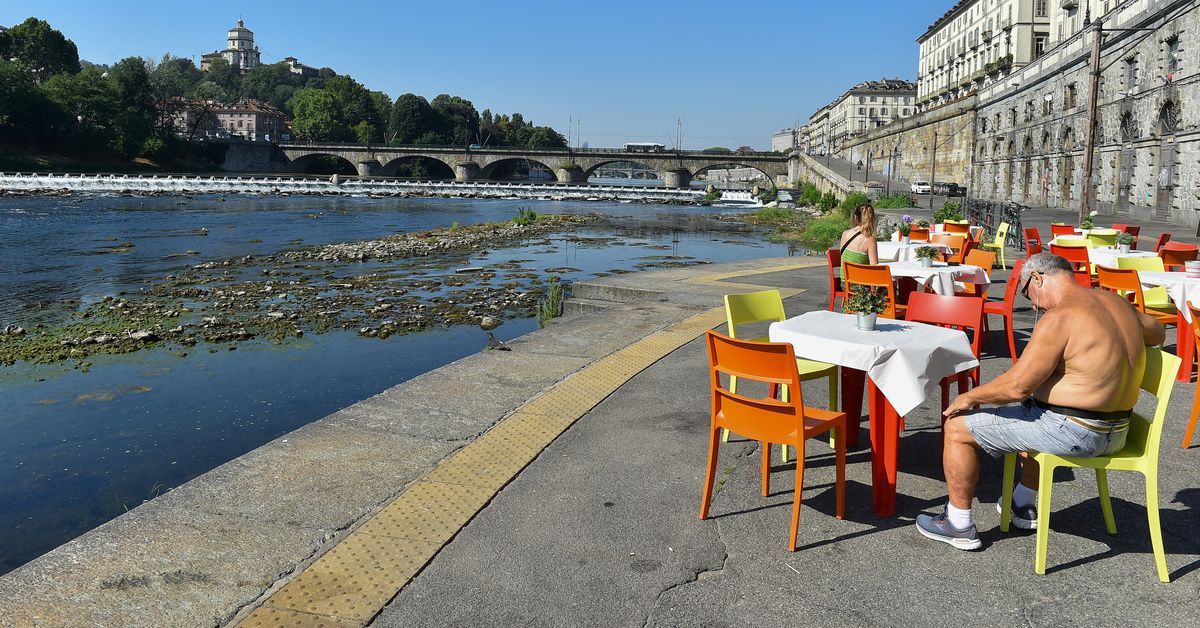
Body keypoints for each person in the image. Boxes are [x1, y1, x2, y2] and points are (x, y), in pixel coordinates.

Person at [916, 253, 1166, 549]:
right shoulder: (1118, 304)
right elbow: (1158, 332)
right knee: (1031, 412)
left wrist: (969, 397)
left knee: (958, 428)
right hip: (1118, 433)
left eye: (1027, 293)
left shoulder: (1059, 317)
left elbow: (1018, 386)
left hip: (1076, 432)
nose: (1032, 304)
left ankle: (958, 524)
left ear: (1037, 278)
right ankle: (1022, 504)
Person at [838, 202, 879, 273]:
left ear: (856, 217)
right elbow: (874, 268)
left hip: (844, 281)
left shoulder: (845, 234)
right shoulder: (869, 239)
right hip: (861, 282)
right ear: (872, 219)